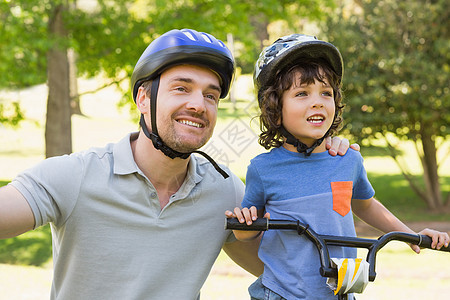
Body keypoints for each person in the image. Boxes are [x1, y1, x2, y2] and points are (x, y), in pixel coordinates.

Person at [0, 29, 355, 299]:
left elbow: (289, 270)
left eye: (211, 95)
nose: (199, 105)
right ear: (143, 98)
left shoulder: (224, 192)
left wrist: (323, 156)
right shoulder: (75, 176)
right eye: (181, 88)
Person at [225, 34, 450, 300]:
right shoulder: (263, 169)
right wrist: (244, 224)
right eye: (301, 94)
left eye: (326, 93)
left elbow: (365, 204)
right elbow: (244, 234)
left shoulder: (348, 160)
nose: (317, 101)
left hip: (339, 292)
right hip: (280, 294)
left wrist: (412, 236)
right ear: (275, 108)